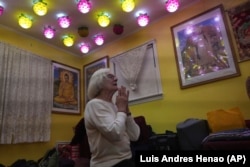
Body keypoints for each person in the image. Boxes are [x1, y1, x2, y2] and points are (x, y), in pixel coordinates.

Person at [84, 68, 140, 167]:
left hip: (127, 158)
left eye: (115, 76)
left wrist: (126, 111)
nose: (116, 78)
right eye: (110, 76)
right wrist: (122, 110)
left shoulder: (116, 106)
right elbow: (115, 134)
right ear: (98, 82)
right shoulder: (94, 105)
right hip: (109, 164)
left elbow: (135, 136)